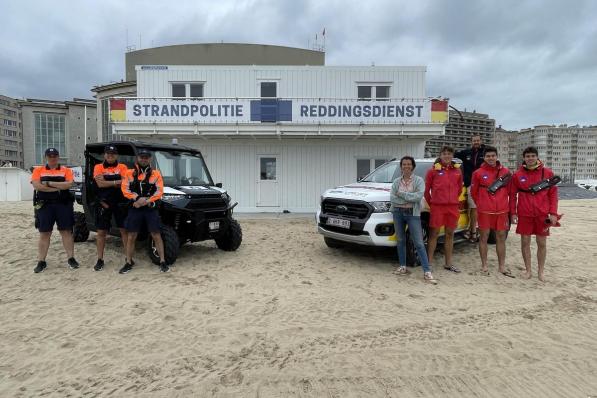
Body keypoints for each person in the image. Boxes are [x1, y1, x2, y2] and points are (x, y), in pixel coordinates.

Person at [509, 146, 559, 282]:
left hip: (542, 214)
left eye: (532, 156)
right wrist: (513, 213)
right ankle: (528, 270)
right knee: (525, 242)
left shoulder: (547, 173)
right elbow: (512, 195)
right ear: (524, 158)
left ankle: (541, 271)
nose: (530, 158)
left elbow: (553, 195)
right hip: (524, 214)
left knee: (541, 243)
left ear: (537, 157)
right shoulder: (517, 175)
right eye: (527, 156)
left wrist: (553, 213)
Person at [30, 148, 80, 273]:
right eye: (50, 156)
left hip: (63, 205)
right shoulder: (38, 170)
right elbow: (37, 186)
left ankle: (71, 258)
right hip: (44, 206)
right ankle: (41, 261)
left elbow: (69, 184)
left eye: (55, 155)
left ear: (58, 157)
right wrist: (57, 188)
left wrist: (48, 183)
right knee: (44, 233)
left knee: (66, 232)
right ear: (45, 157)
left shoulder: (66, 170)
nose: (52, 158)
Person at [120, 149, 169, 274]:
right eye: (141, 157)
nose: (144, 159)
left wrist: (146, 201)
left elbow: (159, 192)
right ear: (137, 158)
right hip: (135, 207)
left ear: (150, 159)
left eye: (146, 157)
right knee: (131, 236)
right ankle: (128, 262)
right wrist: (136, 199)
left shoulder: (156, 174)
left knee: (156, 235)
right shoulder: (129, 173)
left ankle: (162, 261)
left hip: (150, 208)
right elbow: (125, 189)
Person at [390, 156, 437, 284]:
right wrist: (407, 197)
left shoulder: (419, 180)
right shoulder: (396, 182)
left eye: (409, 164)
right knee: (400, 240)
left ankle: (427, 271)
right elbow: (393, 199)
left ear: (413, 166)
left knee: (419, 243)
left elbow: (417, 197)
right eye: (404, 164)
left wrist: (402, 194)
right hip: (397, 213)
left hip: (413, 213)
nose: (406, 166)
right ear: (401, 166)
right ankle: (403, 266)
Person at [470, 146, 513, 277]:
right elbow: (474, 192)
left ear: (497, 156)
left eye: (493, 155)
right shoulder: (477, 173)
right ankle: (484, 266)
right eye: (488, 156)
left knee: (501, 238)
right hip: (485, 211)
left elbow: (510, 191)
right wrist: (482, 204)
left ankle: (501, 266)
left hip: (502, 211)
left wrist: (509, 209)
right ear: (484, 157)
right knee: (483, 237)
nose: (491, 158)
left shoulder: (506, 172)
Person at [425, 146, 463, 273]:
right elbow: (426, 191)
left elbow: (459, 189)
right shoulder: (433, 171)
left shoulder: (457, 171)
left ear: (452, 156)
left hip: (452, 207)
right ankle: (428, 263)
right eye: (444, 153)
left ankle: (448, 263)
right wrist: (433, 203)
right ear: (440, 155)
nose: (447, 156)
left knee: (450, 234)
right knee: (433, 234)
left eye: (449, 154)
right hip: (437, 207)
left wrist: (452, 199)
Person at [92, 144, 129, 271]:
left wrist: (107, 180)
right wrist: (116, 181)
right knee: (101, 232)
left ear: (116, 155)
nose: (110, 156)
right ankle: (100, 259)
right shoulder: (98, 167)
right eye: (108, 154)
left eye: (112, 154)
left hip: (120, 203)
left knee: (124, 231)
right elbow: (99, 184)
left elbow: (125, 182)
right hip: (104, 203)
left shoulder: (123, 167)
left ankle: (128, 259)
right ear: (104, 155)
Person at [455, 134, 486, 242]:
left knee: (473, 208)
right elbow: (451, 156)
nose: (476, 142)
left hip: (480, 185)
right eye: (474, 141)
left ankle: (472, 232)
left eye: (478, 140)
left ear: (481, 141)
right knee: (470, 208)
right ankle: (471, 230)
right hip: (468, 184)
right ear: (471, 142)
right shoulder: (466, 152)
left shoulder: (486, 152)